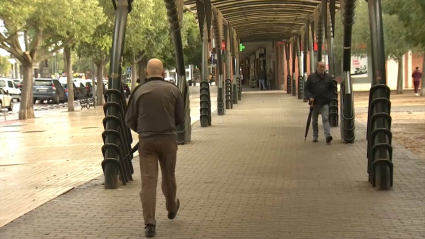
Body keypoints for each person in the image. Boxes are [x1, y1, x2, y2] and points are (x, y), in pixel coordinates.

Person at [125, 58, 184, 238]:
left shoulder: (139, 91)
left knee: (148, 182)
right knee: (169, 175)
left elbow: (129, 119)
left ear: (146, 73)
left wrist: (143, 131)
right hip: (168, 140)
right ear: (163, 72)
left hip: (147, 142)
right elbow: (180, 117)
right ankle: (172, 206)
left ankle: (149, 223)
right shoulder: (173, 90)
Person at [304, 61, 336, 143]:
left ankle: (328, 136)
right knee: (314, 120)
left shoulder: (328, 78)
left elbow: (333, 89)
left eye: (323, 67)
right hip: (315, 103)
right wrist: (310, 97)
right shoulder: (311, 77)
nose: (322, 68)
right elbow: (307, 89)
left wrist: (329, 97)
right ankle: (315, 136)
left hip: (325, 102)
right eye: (320, 67)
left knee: (325, 118)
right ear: (317, 67)